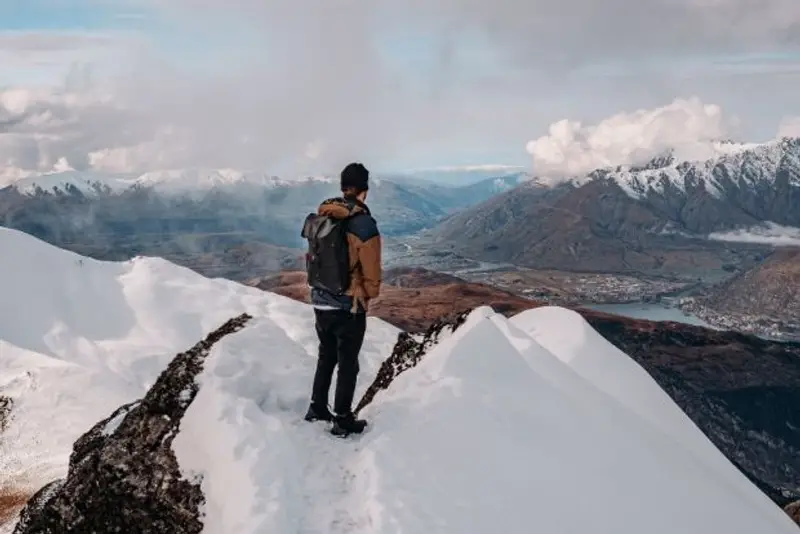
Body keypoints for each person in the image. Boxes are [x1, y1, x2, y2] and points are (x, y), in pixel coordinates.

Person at [303, 162, 382, 436]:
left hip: (320, 300)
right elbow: (371, 270)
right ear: (365, 190)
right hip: (348, 305)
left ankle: (317, 408)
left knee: (326, 356)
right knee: (349, 362)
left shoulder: (324, 216)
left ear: (342, 187)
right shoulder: (362, 223)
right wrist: (368, 295)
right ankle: (343, 418)